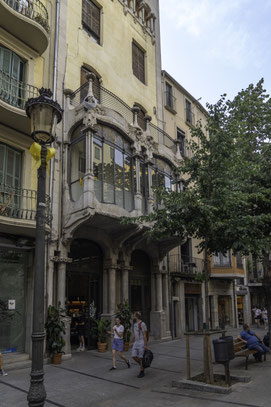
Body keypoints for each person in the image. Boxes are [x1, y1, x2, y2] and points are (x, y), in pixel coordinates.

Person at [131, 312, 148, 378]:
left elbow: (144, 335)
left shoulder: (142, 324)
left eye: (133, 315)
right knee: (133, 356)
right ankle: (143, 365)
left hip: (141, 342)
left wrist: (145, 345)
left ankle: (142, 371)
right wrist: (131, 342)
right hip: (136, 342)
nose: (133, 316)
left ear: (136, 316)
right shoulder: (135, 324)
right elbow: (133, 334)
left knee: (141, 357)